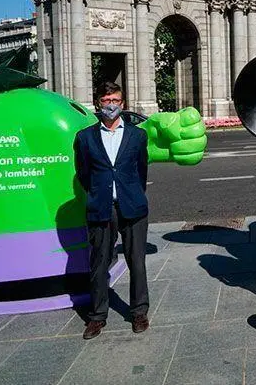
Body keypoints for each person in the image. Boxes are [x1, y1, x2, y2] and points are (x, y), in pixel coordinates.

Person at [74, 82, 150, 339]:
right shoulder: (84, 138)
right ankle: (97, 317)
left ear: (123, 104)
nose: (111, 105)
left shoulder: (137, 136)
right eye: (106, 100)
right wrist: (100, 193)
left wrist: (131, 193)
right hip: (101, 207)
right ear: (98, 104)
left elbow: (141, 171)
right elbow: (83, 174)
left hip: (133, 207)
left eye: (115, 100)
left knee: (136, 261)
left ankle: (139, 312)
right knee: (99, 263)